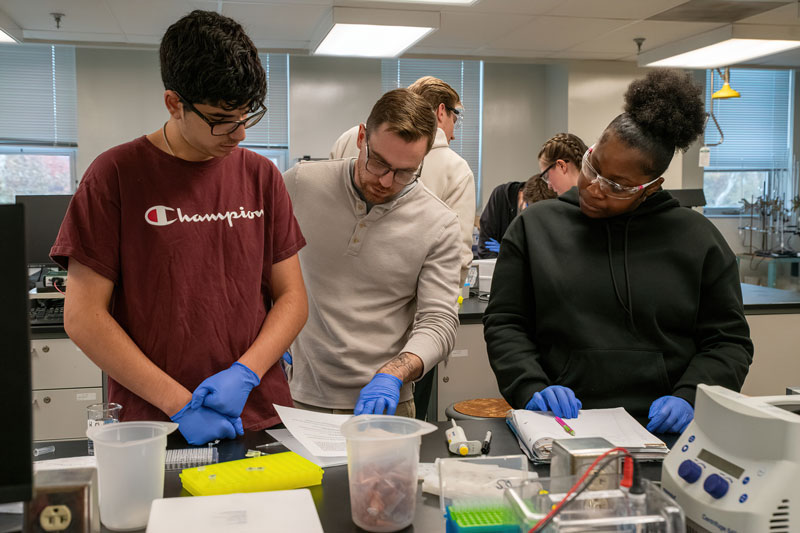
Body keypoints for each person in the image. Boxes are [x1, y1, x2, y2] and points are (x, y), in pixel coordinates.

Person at [52, 10, 308, 445]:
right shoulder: (114, 175)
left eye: (246, 115)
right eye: (221, 119)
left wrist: (246, 373)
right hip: (156, 422)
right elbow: (83, 317)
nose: (240, 134)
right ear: (174, 103)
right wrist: (179, 403)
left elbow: (292, 298)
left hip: (257, 413)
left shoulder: (261, 176)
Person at [483, 69, 754, 434]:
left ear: (651, 186)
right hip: (560, 425)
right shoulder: (535, 229)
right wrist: (529, 384)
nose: (594, 188)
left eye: (617, 186)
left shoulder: (698, 239)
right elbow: (506, 323)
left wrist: (692, 395)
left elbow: (729, 341)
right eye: (593, 168)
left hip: (663, 430)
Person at [284, 88, 462, 418]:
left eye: (405, 172)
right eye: (378, 162)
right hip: (298, 395)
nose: (386, 181)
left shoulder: (439, 223)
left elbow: (439, 321)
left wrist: (394, 373)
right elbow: (255, 266)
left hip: (386, 404)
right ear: (361, 137)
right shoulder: (300, 184)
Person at [330, 76, 475, 283]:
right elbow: (455, 263)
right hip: (404, 297)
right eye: (455, 119)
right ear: (442, 111)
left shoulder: (350, 138)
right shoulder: (457, 170)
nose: (453, 135)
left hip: (335, 280)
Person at [477, 173, 556, 258]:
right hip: (495, 263)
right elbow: (485, 246)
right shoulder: (500, 196)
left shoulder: (548, 209)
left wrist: (508, 252)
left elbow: (542, 253)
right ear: (522, 194)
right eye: (530, 210)